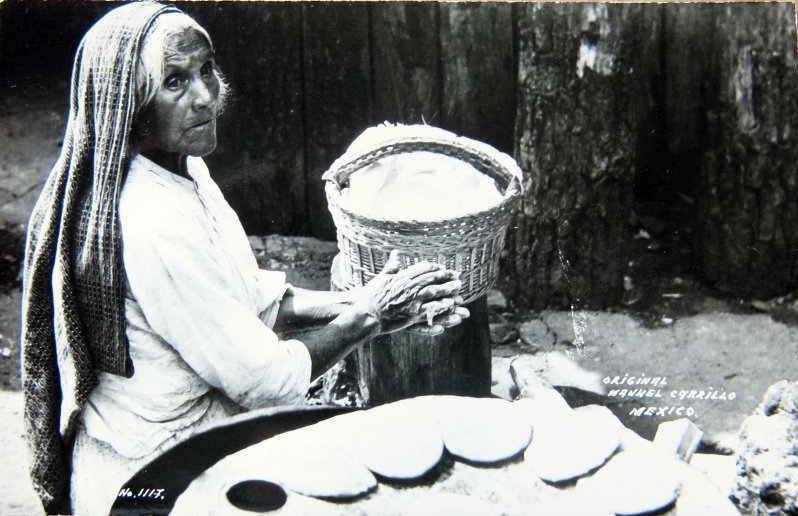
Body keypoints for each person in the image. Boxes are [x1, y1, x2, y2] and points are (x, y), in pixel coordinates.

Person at [20, 2, 468, 514]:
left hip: (203, 436)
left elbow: (249, 297)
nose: (205, 96)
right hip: (155, 478)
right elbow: (265, 382)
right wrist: (369, 318)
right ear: (128, 103)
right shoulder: (148, 223)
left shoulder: (183, 170)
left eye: (206, 69)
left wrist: (368, 302)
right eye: (174, 81)